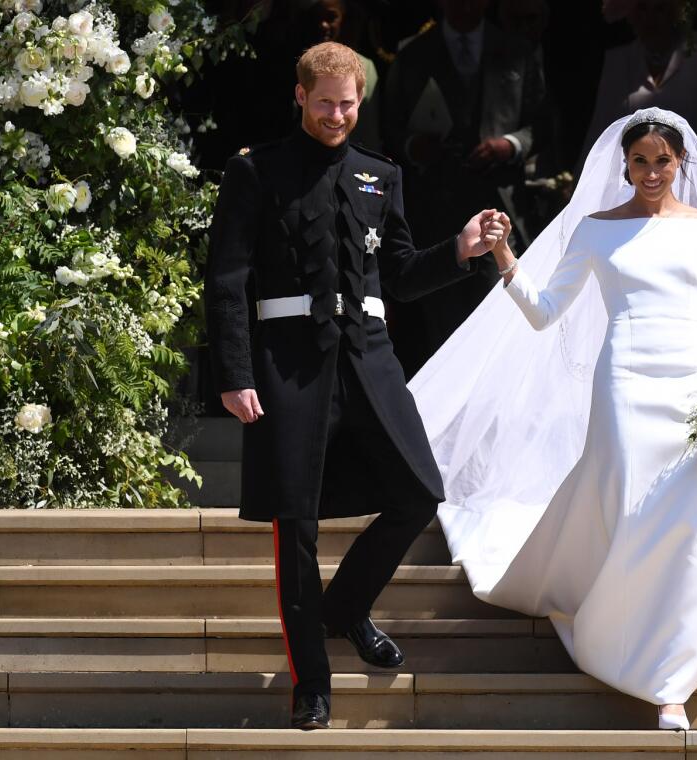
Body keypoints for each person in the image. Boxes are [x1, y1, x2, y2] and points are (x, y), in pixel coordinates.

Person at [408, 108, 697, 729]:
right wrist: (506, 256)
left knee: (687, 517)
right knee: (630, 503)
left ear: (680, 164)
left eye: (662, 161)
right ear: (625, 164)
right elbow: (543, 312)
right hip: (622, 381)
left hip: (694, 383)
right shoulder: (595, 229)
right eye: (639, 161)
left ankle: (673, 678)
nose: (650, 172)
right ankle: (642, 651)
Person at [204, 41, 504, 731]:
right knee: (296, 524)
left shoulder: (380, 174)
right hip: (286, 365)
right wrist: (235, 373)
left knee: (418, 492)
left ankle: (343, 612)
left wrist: (459, 251)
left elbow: (397, 274)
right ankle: (312, 682)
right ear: (301, 97)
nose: (337, 115)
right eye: (325, 102)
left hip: (368, 360)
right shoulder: (257, 171)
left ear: (359, 101)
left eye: (348, 103)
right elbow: (227, 280)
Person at [382, 0, 547, 372]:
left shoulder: (517, 50)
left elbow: (544, 124)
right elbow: (390, 127)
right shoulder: (414, 53)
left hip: (499, 207)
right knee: (445, 331)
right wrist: (415, 146)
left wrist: (510, 145)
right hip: (436, 214)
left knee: (505, 318)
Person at [581, 0, 697, 209]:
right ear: (631, 15)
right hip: (628, 195)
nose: (651, 18)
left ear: (674, 13)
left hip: (689, 195)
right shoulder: (617, 61)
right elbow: (600, 132)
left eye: (660, 8)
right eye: (642, 8)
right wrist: (583, 197)